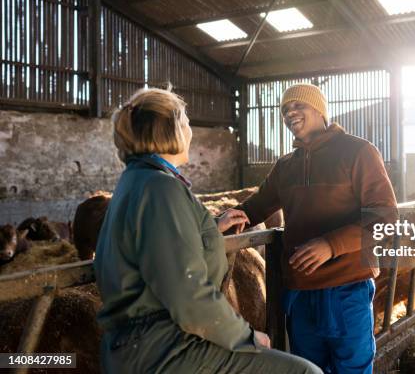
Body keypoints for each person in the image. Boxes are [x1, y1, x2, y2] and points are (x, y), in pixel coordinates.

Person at [94, 87, 321, 374]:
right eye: (186, 119)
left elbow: (162, 250)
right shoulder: (161, 189)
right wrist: (247, 337)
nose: (190, 128)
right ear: (171, 129)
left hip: (142, 345)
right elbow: (188, 295)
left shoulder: (138, 181)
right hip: (165, 349)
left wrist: (210, 230)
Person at [236, 84, 398, 373]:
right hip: (300, 291)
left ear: (319, 109)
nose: (289, 113)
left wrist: (331, 244)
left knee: (352, 369)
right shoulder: (285, 166)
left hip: (347, 287)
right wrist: (214, 222)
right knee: (309, 369)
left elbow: (384, 217)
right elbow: (254, 208)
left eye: (298, 105)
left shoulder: (358, 151)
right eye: (285, 109)